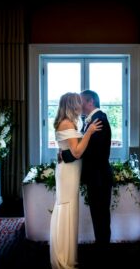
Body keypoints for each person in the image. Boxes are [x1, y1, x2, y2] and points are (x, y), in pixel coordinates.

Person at [50, 92, 102, 269]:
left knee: (70, 209)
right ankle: (63, 257)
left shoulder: (69, 122)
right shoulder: (66, 123)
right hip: (67, 174)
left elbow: (70, 149)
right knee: (66, 208)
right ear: (72, 105)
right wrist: (88, 133)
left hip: (71, 171)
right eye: (78, 103)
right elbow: (77, 152)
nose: (81, 105)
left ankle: (68, 255)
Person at [62, 90, 113, 251]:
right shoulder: (92, 121)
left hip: (99, 177)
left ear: (90, 102)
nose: (78, 104)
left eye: (81, 101)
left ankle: (103, 251)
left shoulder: (99, 121)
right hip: (95, 177)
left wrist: (64, 155)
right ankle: (101, 247)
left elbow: (87, 150)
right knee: (98, 216)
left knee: (101, 217)